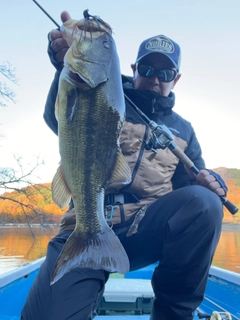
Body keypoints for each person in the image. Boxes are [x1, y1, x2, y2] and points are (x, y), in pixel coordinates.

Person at [21, 11, 227, 320]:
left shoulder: (184, 131)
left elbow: (190, 191)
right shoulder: (105, 92)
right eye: (146, 68)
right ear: (132, 68)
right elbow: (57, 119)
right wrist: (62, 67)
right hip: (85, 224)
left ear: (176, 78)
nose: (155, 78)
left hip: (144, 228)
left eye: (165, 73)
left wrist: (211, 183)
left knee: (205, 204)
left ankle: (174, 314)